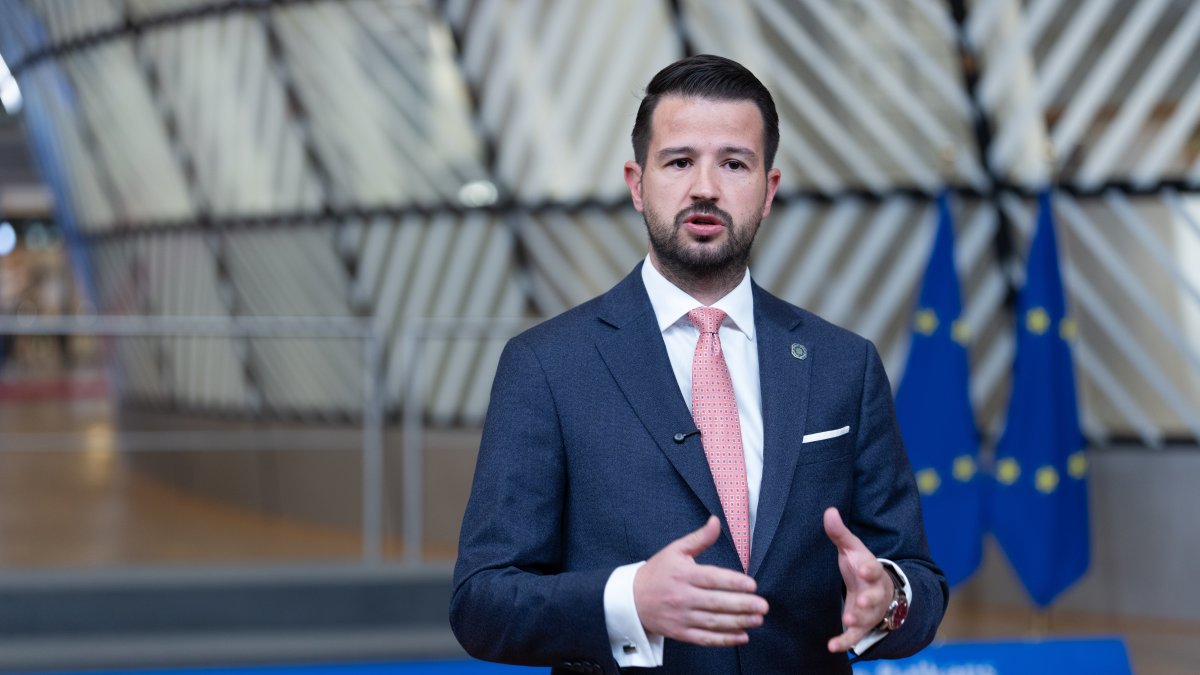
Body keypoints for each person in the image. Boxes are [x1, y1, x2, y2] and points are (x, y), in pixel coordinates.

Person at [450, 54, 947, 674]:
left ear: (768, 191)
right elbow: (481, 602)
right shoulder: (547, 366)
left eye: (733, 163)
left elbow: (918, 577)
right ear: (637, 183)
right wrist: (628, 601)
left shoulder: (844, 364)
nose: (705, 187)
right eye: (679, 161)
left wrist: (889, 601)